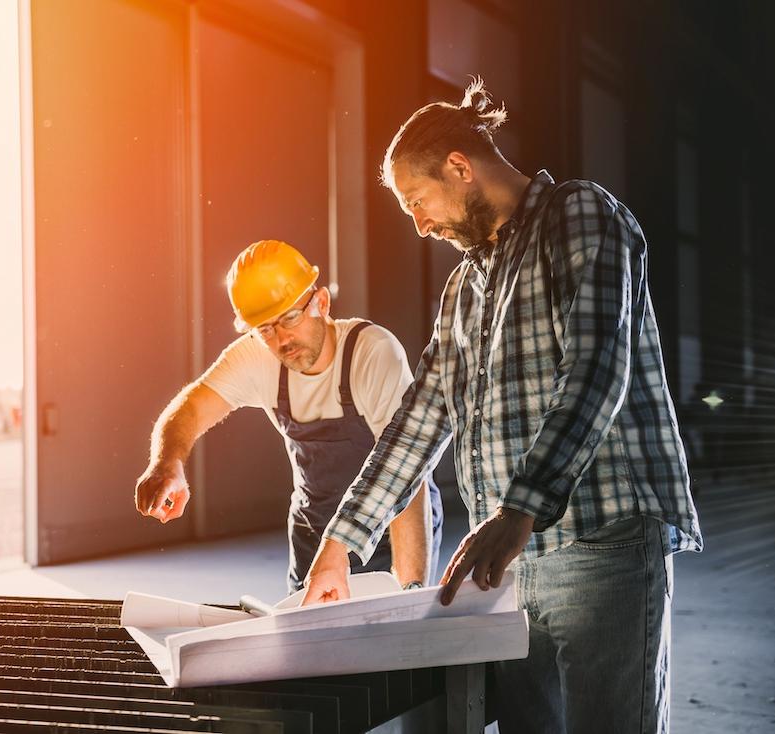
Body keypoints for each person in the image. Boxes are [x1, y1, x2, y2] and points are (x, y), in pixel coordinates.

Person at [301, 79, 702, 733]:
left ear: (460, 166)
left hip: (602, 544)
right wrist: (343, 540)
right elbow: (421, 415)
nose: (421, 224)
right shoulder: (465, 286)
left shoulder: (579, 216)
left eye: (418, 201)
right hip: (510, 561)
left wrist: (520, 510)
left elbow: (597, 370)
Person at [134, 239, 443, 593]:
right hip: (314, 534)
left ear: (321, 303)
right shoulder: (257, 356)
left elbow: (406, 476)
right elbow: (190, 406)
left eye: (290, 317)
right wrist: (166, 461)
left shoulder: (372, 353)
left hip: (391, 530)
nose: (282, 339)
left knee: (390, 637)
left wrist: (409, 591)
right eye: (265, 328)